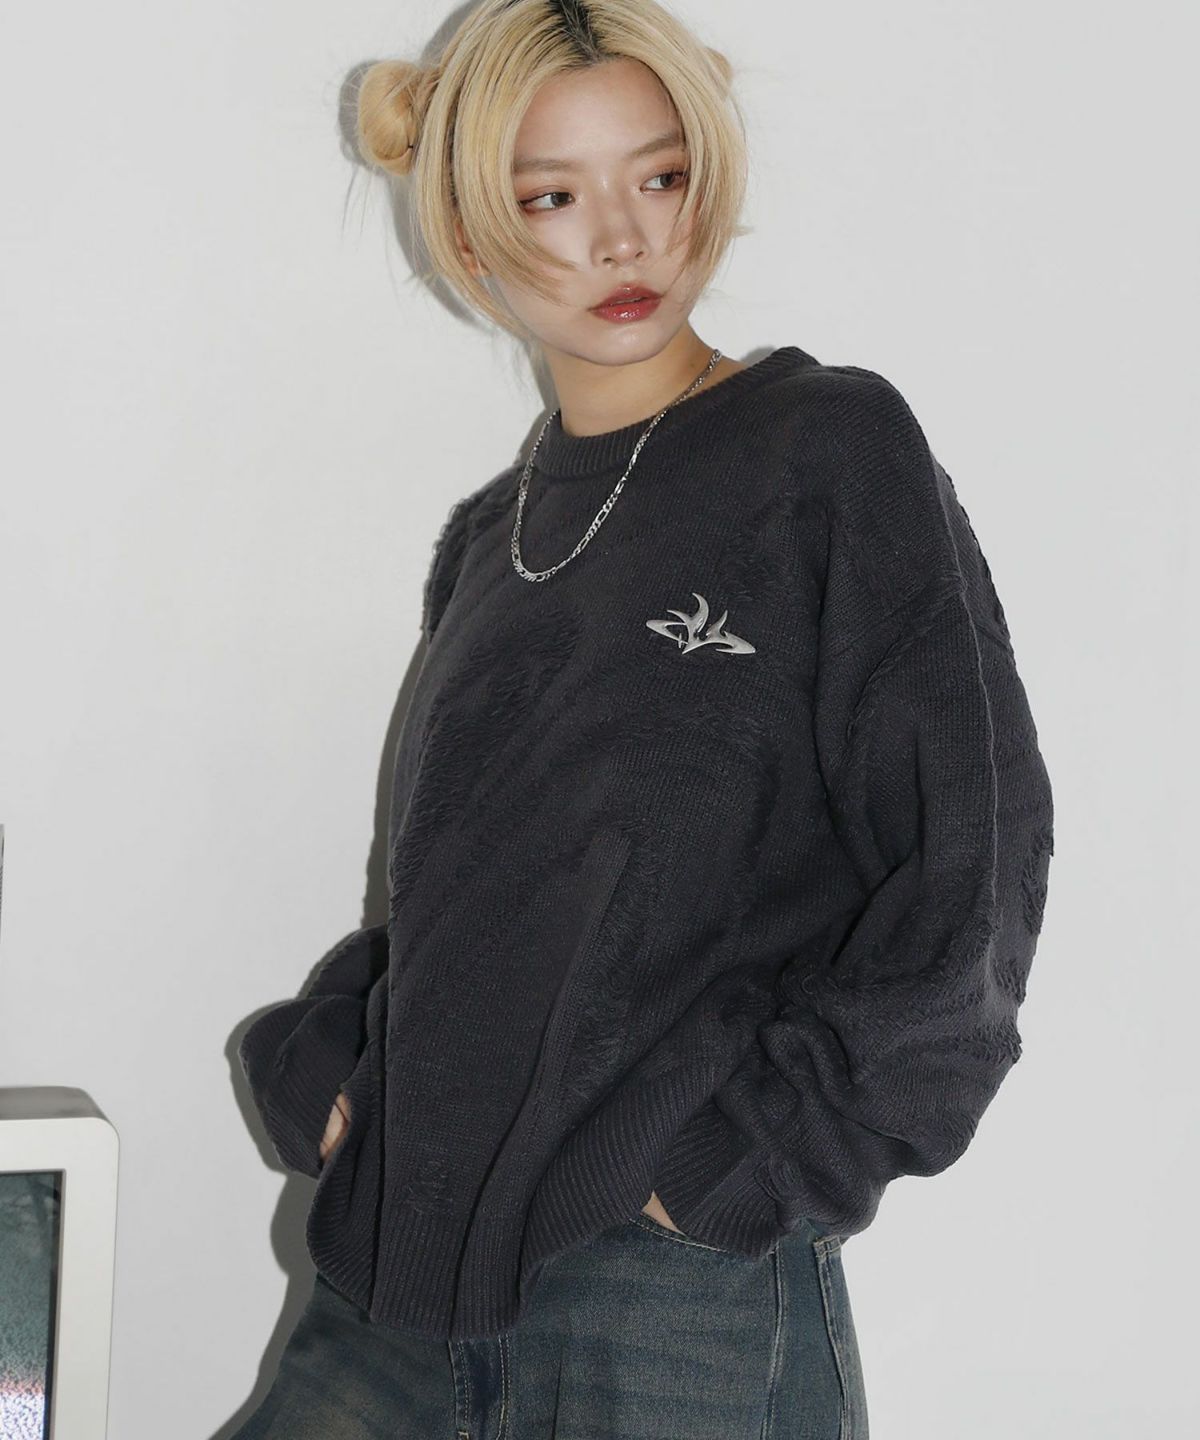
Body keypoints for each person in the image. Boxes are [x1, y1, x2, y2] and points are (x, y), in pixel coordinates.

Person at [231, 2, 1055, 1436]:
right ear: (471, 236)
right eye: (553, 197)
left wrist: (742, 1165)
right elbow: (484, 900)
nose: (624, 238)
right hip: (399, 1272)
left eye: (659, 177)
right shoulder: (488, 541)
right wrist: (338, 1054)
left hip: (660, 1292)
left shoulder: (826, 450)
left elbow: (965, 865)